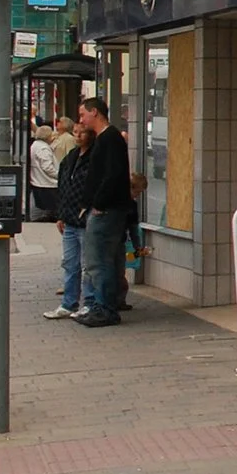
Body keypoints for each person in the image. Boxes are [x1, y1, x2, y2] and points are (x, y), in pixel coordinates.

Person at [75, 97, 137, 326]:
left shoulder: (109, 139)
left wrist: (98, 204)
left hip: (107, 210)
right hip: (107, 208)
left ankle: (105, 307)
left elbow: (111, 175)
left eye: (83, 115)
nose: (81, 120)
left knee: (98, 260)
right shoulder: (106, 139)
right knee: (103, 260)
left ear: (95, 113)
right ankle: (104, 305)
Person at [44, 120, 91, 321]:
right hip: (70, 220)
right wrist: (61, 215)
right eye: (75, 132)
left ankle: (89, 304)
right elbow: (63, 187)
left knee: (88, 265)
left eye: (82, 132)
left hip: (85, 221)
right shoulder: (71, 158)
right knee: (70, 264)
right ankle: (68, 303)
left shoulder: (93, 159)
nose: (78, 136)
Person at [28, 123, 59, 221]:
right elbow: (47, 167)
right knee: (50, 208)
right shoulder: (43, 148)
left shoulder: (35, 145)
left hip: (39, 181)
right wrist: (59, 175)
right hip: (47, 183)